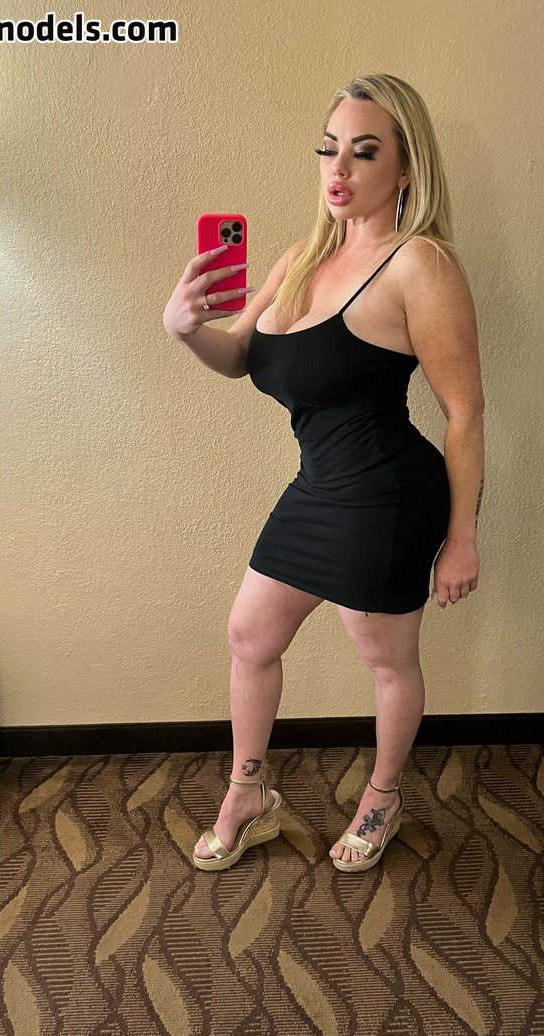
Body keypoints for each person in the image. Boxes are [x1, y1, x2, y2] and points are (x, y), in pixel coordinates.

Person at [163, 73, 484, 872]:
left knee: (386, 660)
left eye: (364, 152)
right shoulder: (300, 259)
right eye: (329, 148)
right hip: (318, 488)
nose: (338, 168)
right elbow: (238, 355)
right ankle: (248, 795)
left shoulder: (420, 265)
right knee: (249, 635)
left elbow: (465, 412)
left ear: (405, 169)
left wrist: (462, 537)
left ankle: (382, 798)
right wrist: (185, 328)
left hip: (387, 496)